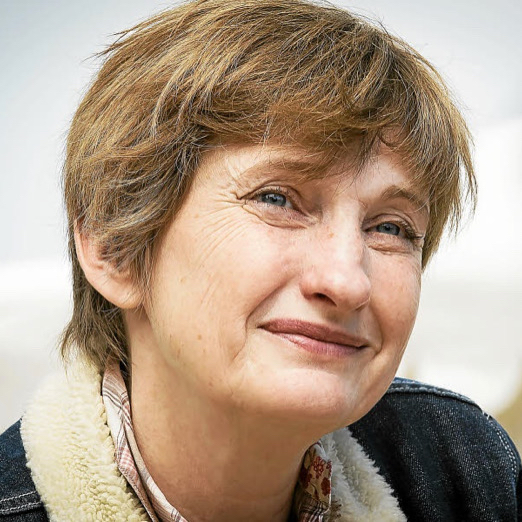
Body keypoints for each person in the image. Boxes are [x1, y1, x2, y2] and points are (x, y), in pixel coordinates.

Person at [0, 0, 520, 520]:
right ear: (115, 246)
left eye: (390, 228)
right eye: (277, 199)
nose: (346, 281)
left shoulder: (465, 471)